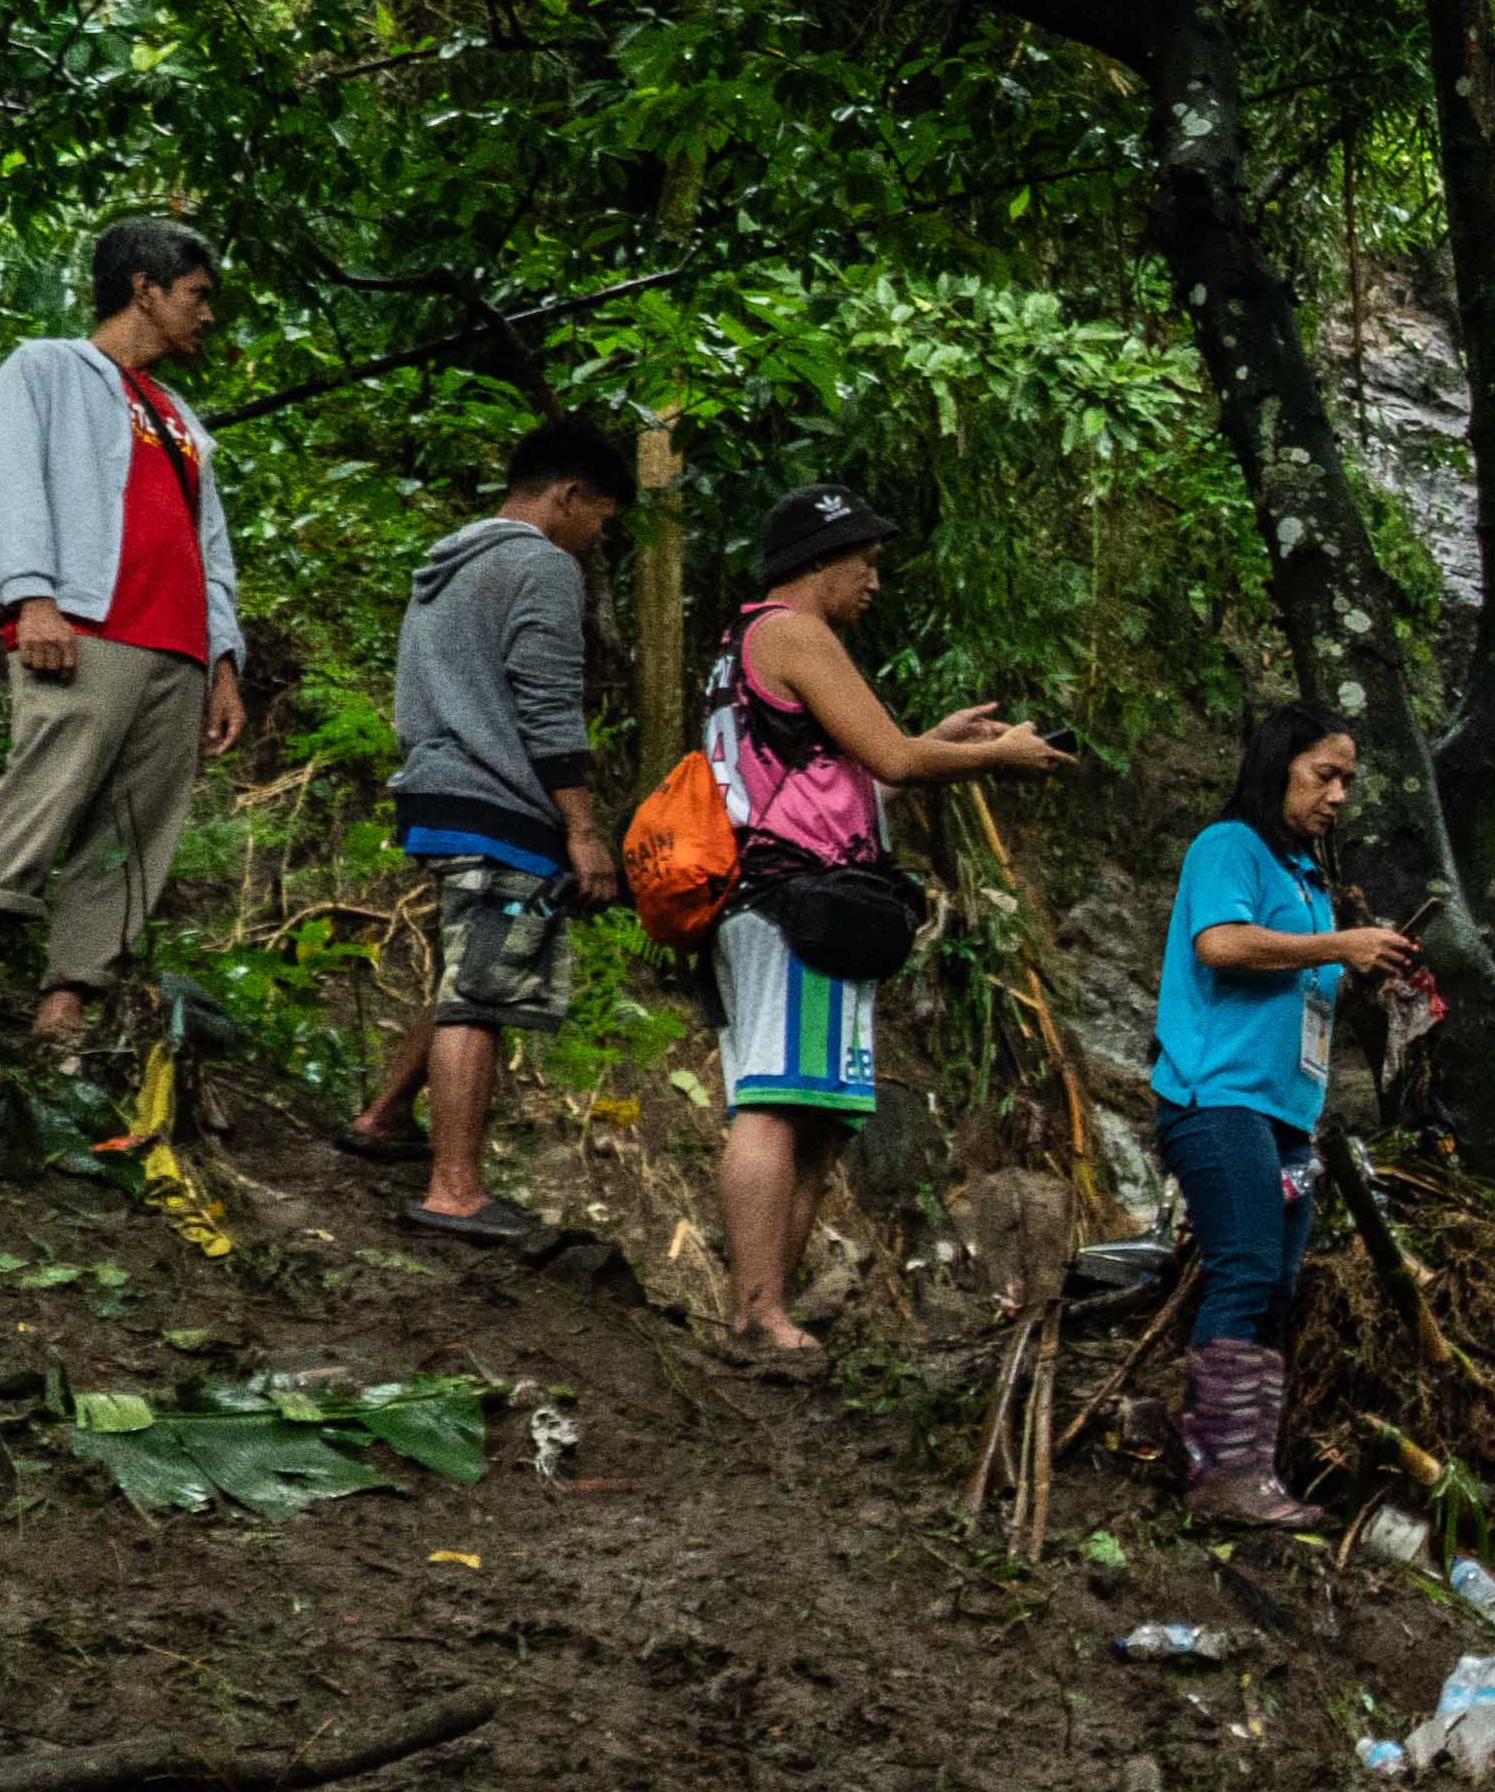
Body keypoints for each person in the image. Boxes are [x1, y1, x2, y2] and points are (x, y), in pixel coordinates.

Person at [696, 486, 1066, 1372]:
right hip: (791, 901)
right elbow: (893, 757)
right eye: (863, 562)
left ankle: (768, 1314)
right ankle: (755, 1312)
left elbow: (849, 782)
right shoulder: (790, 631)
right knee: (775, 1102)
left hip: (795, 895)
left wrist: (939, 739)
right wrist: (992, 757)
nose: (873, 581)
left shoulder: (752, 643)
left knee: (815, 1115)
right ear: (819, 562)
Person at [0, 217, 245, 1047]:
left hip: (177, 649)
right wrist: (32, 597)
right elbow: (10, 479)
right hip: (87, 625)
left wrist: (222, 662)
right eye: (196, 295)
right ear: (144, 287)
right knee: (41, 792)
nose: (206, 315)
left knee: (137, 829)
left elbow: (210, 547)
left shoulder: (179, 417)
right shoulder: (47, 369)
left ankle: (67, 995)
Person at [329, 414, 633, 1243]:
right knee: (483, 994)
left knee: (474, 965)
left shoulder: (452, 560)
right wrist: (581, 827)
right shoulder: (540, 565)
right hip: (499, 798)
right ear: (569, 495)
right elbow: (547, 705)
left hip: (437, 788)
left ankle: (385, 1118)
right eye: (601, 517)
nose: (596, 538)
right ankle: (454, 1191)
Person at [1148, 708, 1418, 1530]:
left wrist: (1365, 968)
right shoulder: (1229, 846)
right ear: (1277, 769)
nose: (1337, 795)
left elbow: (1300, 982)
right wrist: (1340, 946)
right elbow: (1222, 944)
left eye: (1346, 782)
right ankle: (1219, 1478)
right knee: (1247, 1265)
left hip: (1283, 1116)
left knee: (1277, 1285)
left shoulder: (1307, 880)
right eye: (1321, 775)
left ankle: (1246, 1472)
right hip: (1216, 1097)